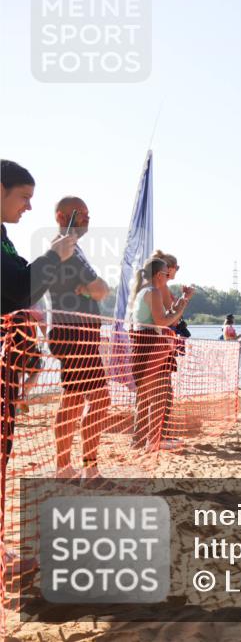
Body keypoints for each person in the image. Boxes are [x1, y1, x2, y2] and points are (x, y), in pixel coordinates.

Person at [0, 160, 75, 578]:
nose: (30, 207)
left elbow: (17, 287)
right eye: (24, 197)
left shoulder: (4, 237)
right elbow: (15, 289)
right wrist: (55, 255)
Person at [46, 196, 112, 479]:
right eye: (80, 213)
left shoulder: (74, 248)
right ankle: (83, 468)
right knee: (96, 397)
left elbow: (101, 289)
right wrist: (91, 290)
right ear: (62, 215)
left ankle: (71, 467)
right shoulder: (65, 248)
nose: (87, 218)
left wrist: (91, 290)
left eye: (88, 213)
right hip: (73, 332)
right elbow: (99, 288)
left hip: (79, 333)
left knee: (76, 398)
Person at [128, 257, 191, 452]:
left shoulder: (143, 292)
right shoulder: (153, 292)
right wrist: (180, 308)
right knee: (160, 396)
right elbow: (162, 321)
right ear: (158, 275)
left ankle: (139, 441)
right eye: (166, 273)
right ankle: (153, 441)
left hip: (142, 348)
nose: (169, 276)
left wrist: (182, 301)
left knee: (145, 397)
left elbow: (162, 319)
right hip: (151, 349)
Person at [151, 250, 194, 449]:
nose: (177, 271)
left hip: (160, 343)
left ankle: (157, 436)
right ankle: (160, 436)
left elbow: (172, 315)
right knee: (163, 393)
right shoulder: (161, 289)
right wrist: (185, 300)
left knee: (159, 393)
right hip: (160, 345)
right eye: (177, 267)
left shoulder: (158, 288)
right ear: (168, 269)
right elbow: (172, 317)